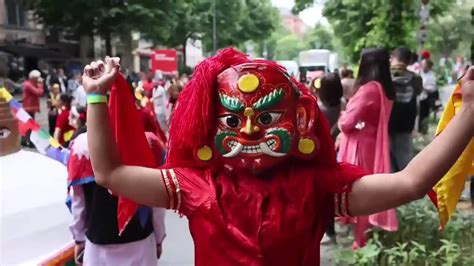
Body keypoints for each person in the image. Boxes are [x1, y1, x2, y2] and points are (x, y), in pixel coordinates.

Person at [83, 52, 474, 265]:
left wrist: (469, 112)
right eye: (233, 120)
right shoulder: (196, 185)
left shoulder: (319, 185)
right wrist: (97, 97)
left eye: (267, 117)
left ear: (300, 119)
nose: (250, 132)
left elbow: (411, 182)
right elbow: (109, 173)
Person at [68, 131, 166, 265]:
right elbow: (156, 202)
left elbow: (79, 203)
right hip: (141, 243)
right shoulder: (148, 143)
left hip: (98, 245)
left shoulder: (79, 147)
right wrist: (159, 238)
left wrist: (79, 239)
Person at [338, 48, 399, 249]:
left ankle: (361, 242)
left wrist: (342, 119)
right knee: (370, 191)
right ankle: (368, 240)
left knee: (360, 192)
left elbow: (347, 122)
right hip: (374, 144)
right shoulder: (386, 88)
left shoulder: (368, 90)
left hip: (360, 146)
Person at [314, 73, 343, 244]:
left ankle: (329, 231)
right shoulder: (343, 104)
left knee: (322, 194)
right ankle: (332, 229)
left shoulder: (318, 107)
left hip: (321, 154)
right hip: (338, 152)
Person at [389, 47, 423, 172]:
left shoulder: (384, 76)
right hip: (406, 123)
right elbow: (418, 92)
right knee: (405, 159)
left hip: (387, 121)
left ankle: (390, 187)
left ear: (393, 58)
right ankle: (405, 187)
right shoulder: (416, 78)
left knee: (389, 160)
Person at [419, 58, 439, 134]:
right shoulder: (419, 73)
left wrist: (424, 88)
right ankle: (420, 129)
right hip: (420, 97)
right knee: (420, 114)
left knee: (425, 114)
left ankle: (424, 129)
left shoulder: (432, 76)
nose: (422, 66)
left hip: (428, 97)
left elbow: (433, 88)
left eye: (424, 65)